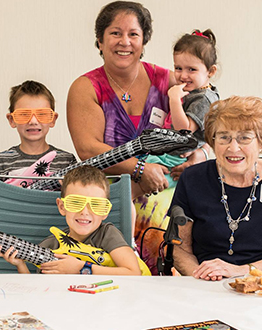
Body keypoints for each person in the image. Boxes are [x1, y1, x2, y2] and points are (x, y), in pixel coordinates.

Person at [66, 0, 205, 275]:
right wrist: (139, 169)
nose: (124, 42)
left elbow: (200, 127)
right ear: (100, 41)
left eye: (133, 34)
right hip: (112, 191)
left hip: (166, 190)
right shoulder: (86, 87)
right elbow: (88, 149)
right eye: (115, 33)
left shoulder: (168, 80)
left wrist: (198, 156)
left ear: (144, 41)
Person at [170, 96, 262, 281]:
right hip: (206, 283)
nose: (233, 148)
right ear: (213, 142)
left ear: (261, 143)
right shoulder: (192, 179)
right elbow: (181, 251)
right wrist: (203, 280)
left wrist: (242, 271)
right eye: (224, 137)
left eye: (244, 138)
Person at [0, 165, 142, 275]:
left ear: (106, 212)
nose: (85, 212)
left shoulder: (107, 234)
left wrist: (82, 268)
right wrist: (20, 265)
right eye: (75, 203)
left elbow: (133, 272)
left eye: (96, 205)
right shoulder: (50, 245)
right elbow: (38, 291)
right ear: (62, 206)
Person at [145, 29, 220, 191]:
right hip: (169, 155)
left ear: (211, 71)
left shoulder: (203, 98)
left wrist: (174, 99)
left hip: (175, 160)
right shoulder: (194, 92)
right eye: (178, 68)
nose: (183, 75)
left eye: (191, 69)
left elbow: (183, 131)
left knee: (134, 187)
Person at [0, 80, 76, 193]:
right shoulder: (0, 161)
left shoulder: (66, 161)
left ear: (53, 120)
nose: (33, 121)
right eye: (24, 114)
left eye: (42, 114)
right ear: (11, 120)